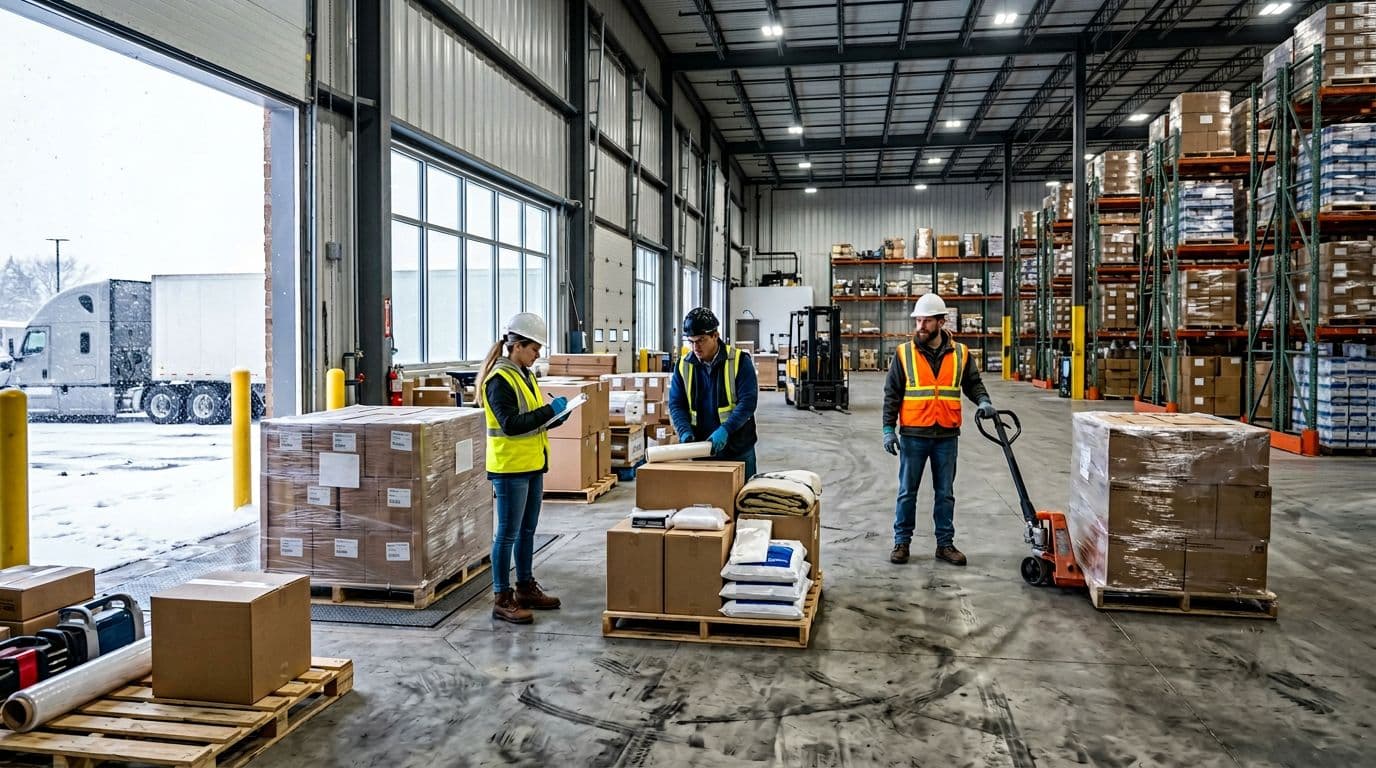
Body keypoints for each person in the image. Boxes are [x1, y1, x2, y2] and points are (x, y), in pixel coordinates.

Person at [882, 293, 995, 567]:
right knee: (907, 491)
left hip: (946, 435)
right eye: (918, 320)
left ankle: (945, 544)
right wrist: (888, 428)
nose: (920, 326)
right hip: (913, 434)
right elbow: (892, 394)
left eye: (926, 321)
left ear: (941, 322)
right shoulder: (903, 353)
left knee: (945, 493)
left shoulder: (961, 353)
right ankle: (902, 542)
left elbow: (973, 383)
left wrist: (984, 401)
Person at [477, 312, 571, 624]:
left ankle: (525, 587)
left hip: (532, 464)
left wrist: (557, 416)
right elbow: (512, 424)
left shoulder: (525, 375)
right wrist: (548, 411)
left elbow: (533, 418)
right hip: (510, 467)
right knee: (507, 533)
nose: (537, 355)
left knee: (527, 530)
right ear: (517, 347)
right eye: (534, 349)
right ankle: (502, 598)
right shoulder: (499, 381)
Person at [668, 307, 760, 479]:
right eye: (691, 341)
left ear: (715, 336)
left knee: (743, 501)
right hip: (701, 450)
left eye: (701, 340)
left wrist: (726, 429)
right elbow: (676, 404)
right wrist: (684, 431)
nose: (695, 347)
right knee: (706, 502)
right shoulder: (683, 365)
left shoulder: (740, 361)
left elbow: (748, 402)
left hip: (738, 448)